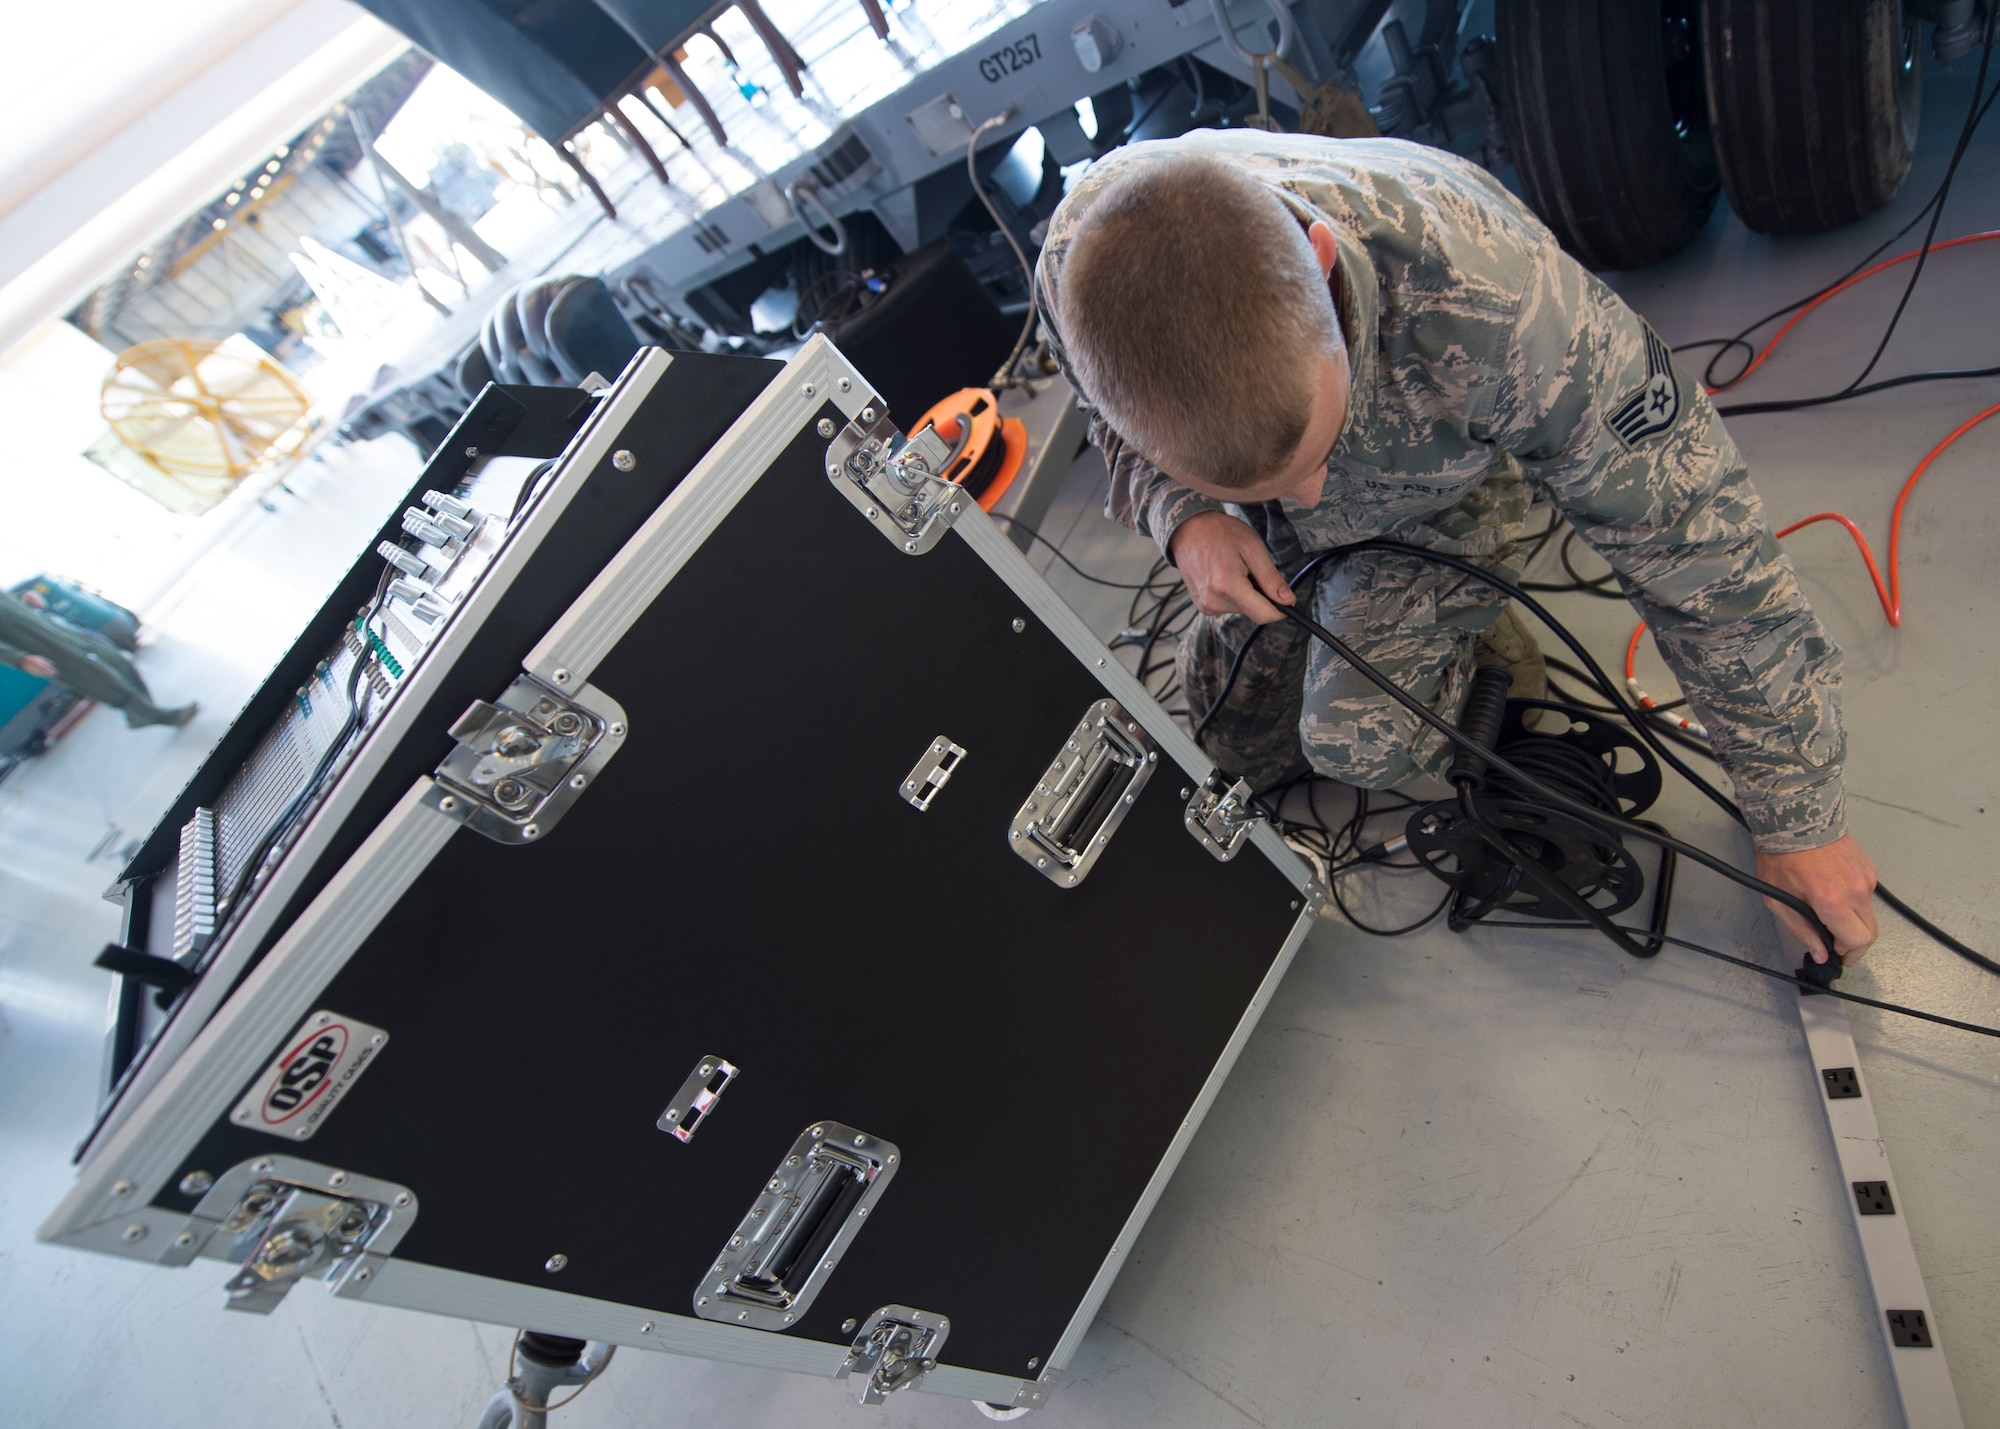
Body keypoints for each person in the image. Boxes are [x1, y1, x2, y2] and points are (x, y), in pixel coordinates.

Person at [1034, 132, 1879, 966]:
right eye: (1274, 483)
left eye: (1317, 456)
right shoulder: (1082, 261)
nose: (1311, 497)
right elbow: (1114, 423)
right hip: (1250, 531)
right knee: (1236, 747)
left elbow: (1695, 544)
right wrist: (1185, 515)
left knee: (1354, 744)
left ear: (1320, 263)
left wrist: (1798, 819)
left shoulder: (1504, 308)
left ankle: (1475, 634)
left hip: (1436, 500)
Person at [0, 588, 196, 729]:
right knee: (101, 680)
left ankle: (141, 713)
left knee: (117, 661)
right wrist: (21, 659)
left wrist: (23, 596)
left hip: (59, 632)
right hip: (41, 648)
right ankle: (152, 715)